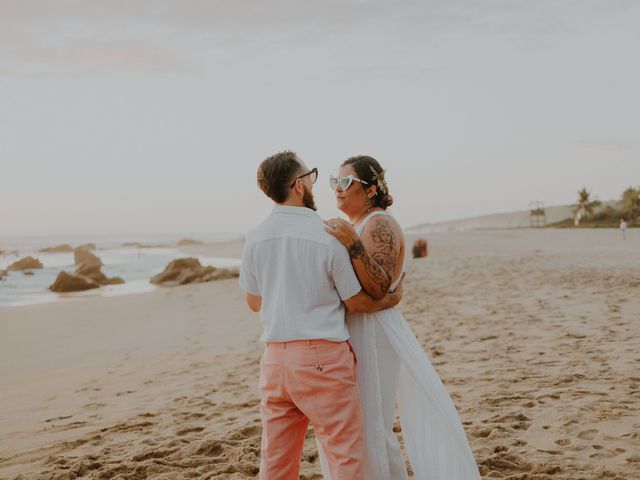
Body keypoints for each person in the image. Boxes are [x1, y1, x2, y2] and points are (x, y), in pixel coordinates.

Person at [239, 150, 404, 480]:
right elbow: (356, 302)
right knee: (344, 454)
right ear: (298, 185)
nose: (316, 185)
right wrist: (390, 300)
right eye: (312, 177)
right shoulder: (328, 235)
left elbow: (254, 302)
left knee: (276, 460)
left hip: (274, 360)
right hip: (322, 360)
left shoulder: (255, 237)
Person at [323, 155, 481, 480]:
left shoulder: (379, 224)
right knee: (359, 421)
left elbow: (379, 287)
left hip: (374, 332)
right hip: (355, 329)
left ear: (369, 190)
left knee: (373, 423)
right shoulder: (358, 225)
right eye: (334, 182)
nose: (338, 189)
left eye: (345, 182)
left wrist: (353, 243)